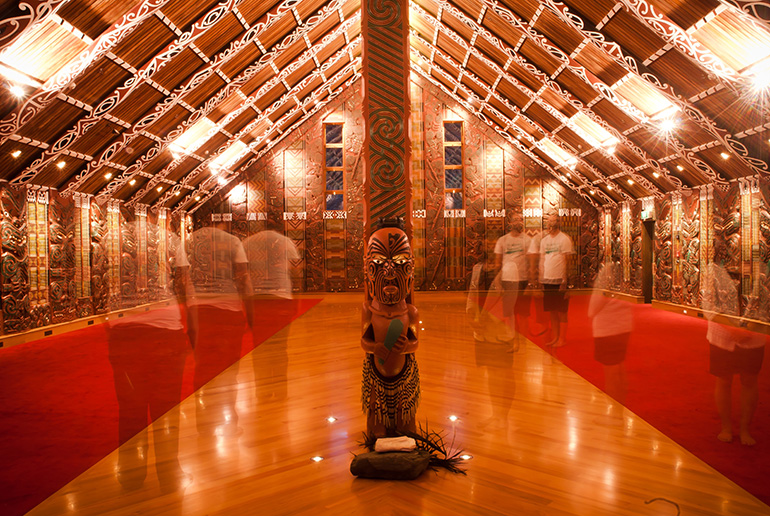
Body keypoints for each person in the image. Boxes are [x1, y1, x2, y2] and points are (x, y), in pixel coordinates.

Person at [175, 221, 253, 436]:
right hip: (229, 310)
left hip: (200, 311)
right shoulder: (233, 242)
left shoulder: (188, 243)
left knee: (202, 366)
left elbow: (182, 280)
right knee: (230, 367)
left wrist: (187, 311)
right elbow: (243, 278)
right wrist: (250, 311)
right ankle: (230, 417)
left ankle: (204, 423)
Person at [701, 242, 766, 446]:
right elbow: (708, 302)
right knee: (724, 380)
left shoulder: (761, 268)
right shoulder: (714, 269)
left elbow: (765, 300)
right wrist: (731, 328)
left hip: (753, 334)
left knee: (749, 380)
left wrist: (751, 328)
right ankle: (726, 426)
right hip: (723, 334)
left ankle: (745, 428)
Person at [360, 219, 420, 437]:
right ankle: (377, 431)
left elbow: (415, 342)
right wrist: (373, 347)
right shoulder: (369, 310)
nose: (389, 271)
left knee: (406, 404)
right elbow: (363, 340)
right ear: (367, 269)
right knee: (376, 404)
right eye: (378, 262)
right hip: (377, 371)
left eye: (400, 261)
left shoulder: (410, 312)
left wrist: (408, 346)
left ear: (411, 270)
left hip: (403, 371)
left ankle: (405, 428)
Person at [588, 262, 633, 410]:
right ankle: (622, 405)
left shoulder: (608, 271)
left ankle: (616, 411)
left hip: (607, 329)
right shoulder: (626, 271)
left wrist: (591, 313)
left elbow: (595, 305)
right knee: (619, 368)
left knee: (611, 374)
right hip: (624, 325)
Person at [529, 214, 574, 348]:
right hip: (547, 280)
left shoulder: (564, 239)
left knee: (562, 312)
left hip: (560, 279)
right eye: (549, 221)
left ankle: (562, 338)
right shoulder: (544, 241)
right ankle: (555, 337)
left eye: (553, 221)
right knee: (552, 312)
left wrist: (566, 281)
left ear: (558, 223)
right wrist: (540, 279)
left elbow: (568, 261)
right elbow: (542, 260)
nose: (550, 223)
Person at [494, 218, 531, 351]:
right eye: (514, 220)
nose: (516, 222)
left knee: (523, 313)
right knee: (510, 313)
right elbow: (498, 263)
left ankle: (524, 341)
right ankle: (513, 339)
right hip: (507, 280)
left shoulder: (527, 240)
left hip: (522, 280)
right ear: (509, 223)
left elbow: (532, 262)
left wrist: (532, 283)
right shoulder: (503, 240)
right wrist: (498, 282)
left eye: (519, 220)